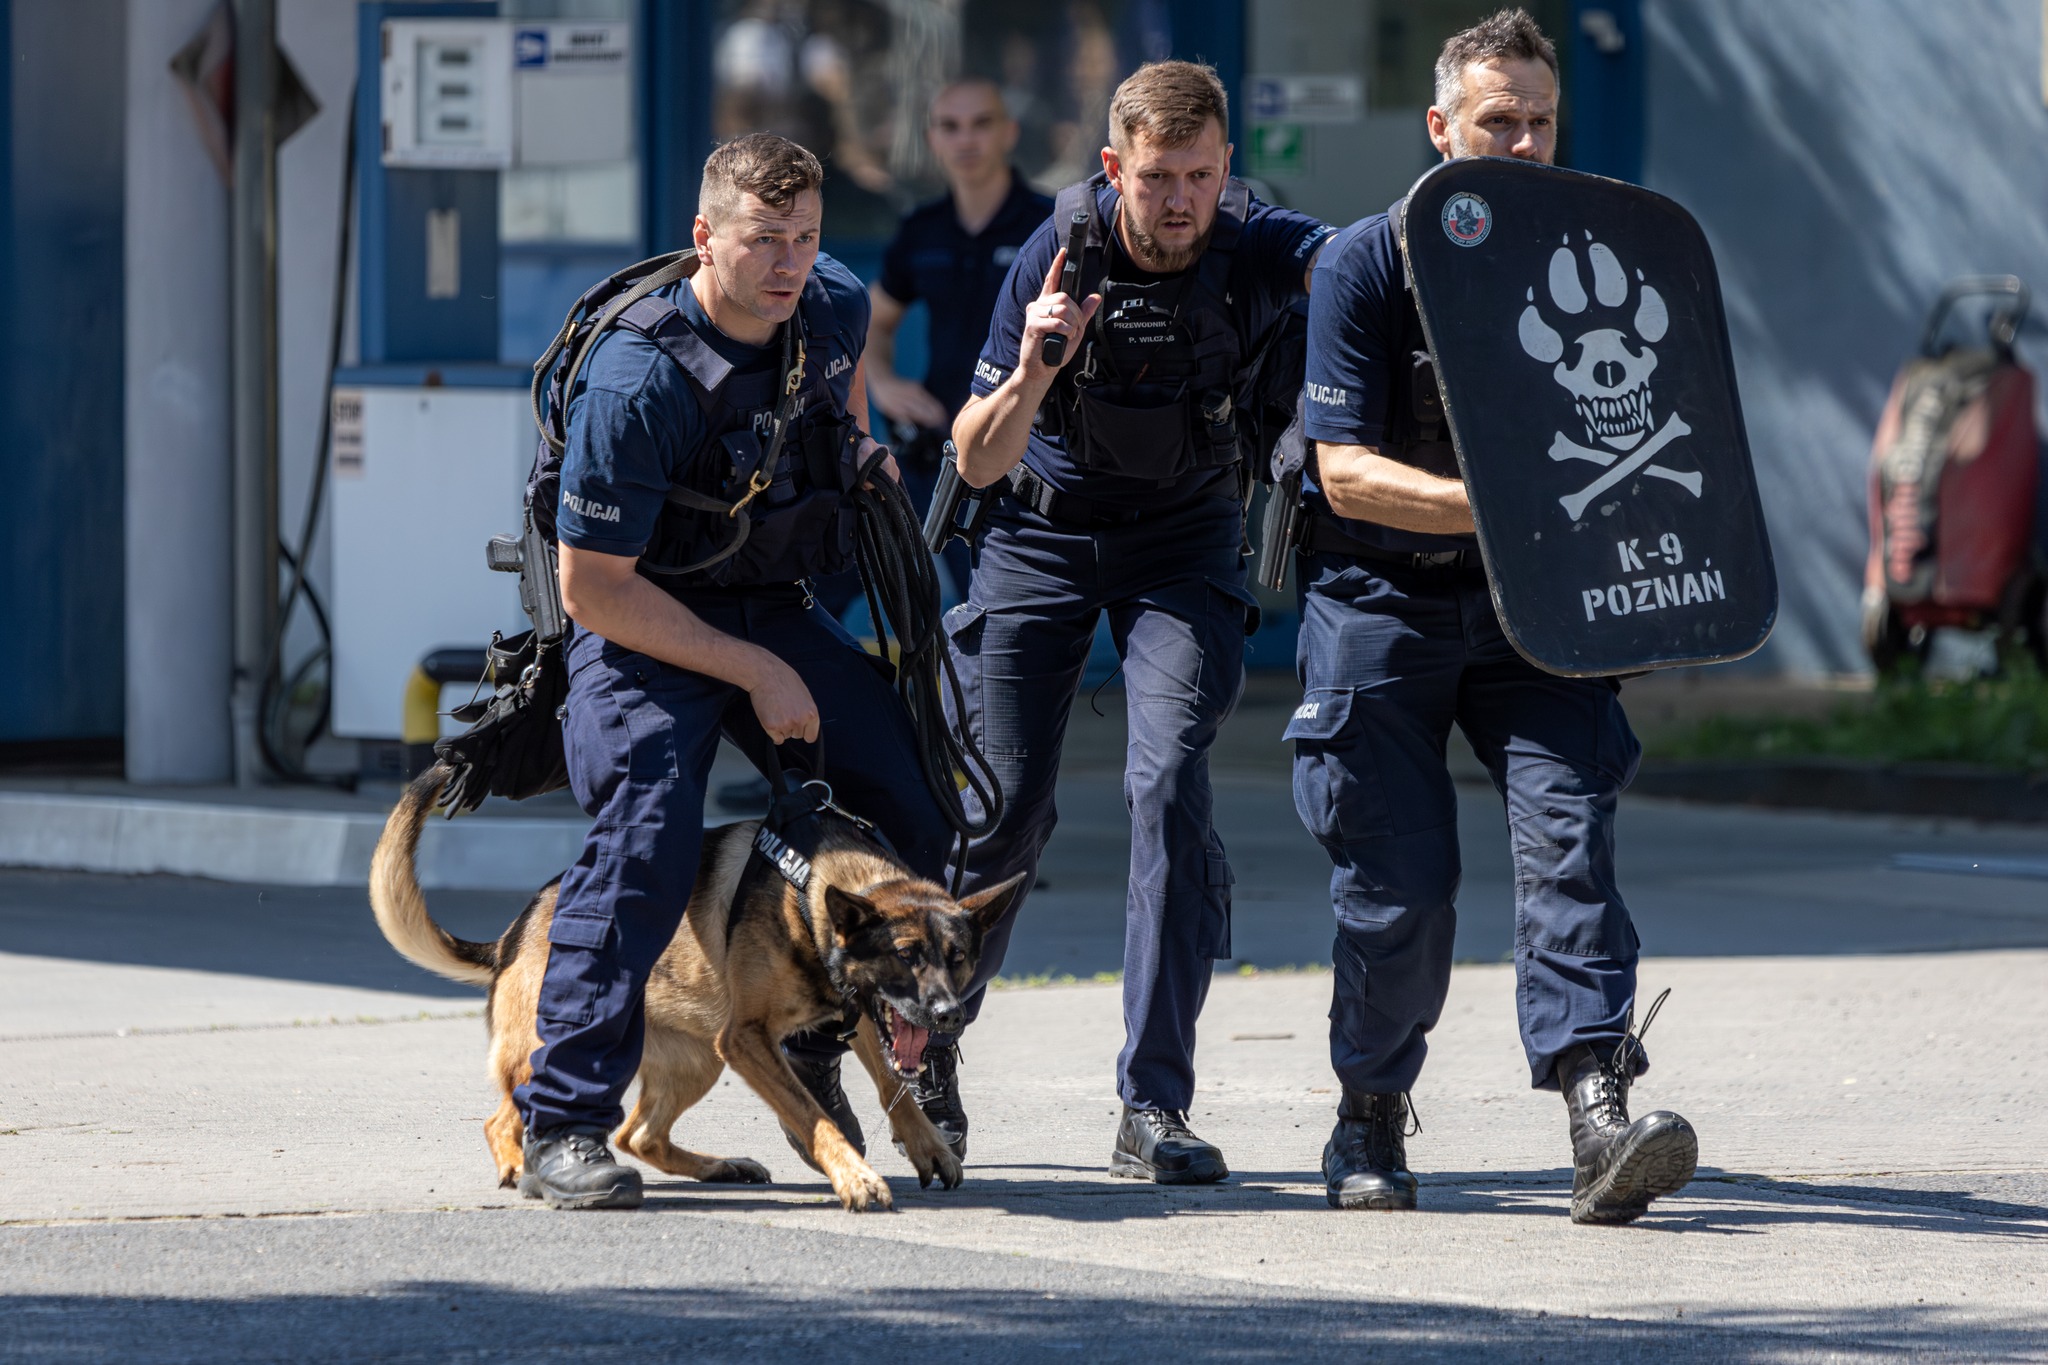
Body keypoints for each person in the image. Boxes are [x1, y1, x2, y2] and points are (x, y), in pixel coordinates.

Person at [1289, 9, 1696, 1223]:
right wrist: (1506, 507)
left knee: (1567, 844)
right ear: (1438, 128)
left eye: (1538, 121)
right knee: (1399, 894)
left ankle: (1594, 1115)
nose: (1520, 144)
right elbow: (1341, 470)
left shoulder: (1605, 254)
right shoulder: (1363, 263)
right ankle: (1366, 1114)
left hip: (1538, 614)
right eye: (1494, 121)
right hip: (1376, 604)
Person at [514, 133, 952, 1209]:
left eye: (803, 238)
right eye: (762, 240)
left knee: (909, 808)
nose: (787, 263)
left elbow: (837, 396)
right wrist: (753, 669)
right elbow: (592, 589)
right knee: (646, 837)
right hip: (640, 620)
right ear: (705, 237)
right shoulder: (638, 376)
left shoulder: (832, 301)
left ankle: (825, 1030)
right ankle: (564, 1125)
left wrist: (854, 450)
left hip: (771, 603)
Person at [939, 60, 1333, 1181]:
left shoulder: (1255, 239)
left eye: (1199, 177)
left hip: (1182, 539)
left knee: (1165, 784)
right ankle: (928, 1047)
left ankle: (1151, 1105)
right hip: (1040, 531)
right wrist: (1030, 367)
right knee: (1003, 805)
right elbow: (973, 455)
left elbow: (1356, 266)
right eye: (1156, 177)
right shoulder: (1054, 248)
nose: (1178, 202)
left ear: (1223, 170)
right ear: (1115, 167)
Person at [867, 78, 1053, 597]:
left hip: (1029, 452)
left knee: (1010, 610)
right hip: (941, 452)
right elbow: (874, 322)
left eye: (981, 123)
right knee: (907, 594)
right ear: (933, 140)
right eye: (950, 127)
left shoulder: (1049, 224)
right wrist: (882, 382)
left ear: (1009, 132)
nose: (965, 140)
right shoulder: (923, 230)